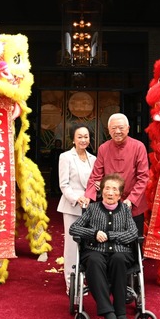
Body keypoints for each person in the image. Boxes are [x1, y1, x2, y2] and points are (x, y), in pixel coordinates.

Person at [70, 173, 138, 319]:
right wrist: (94, 234)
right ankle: (109, 313)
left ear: (120, 194)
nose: (110, 192)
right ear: (102, 191)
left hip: (120, 252)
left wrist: (110, 236)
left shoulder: (125, 210)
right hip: (95, 251)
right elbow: (74, 228)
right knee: (94, 260)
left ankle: (120, 311)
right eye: (107, 188)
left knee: (119, 259)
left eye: (114, 189)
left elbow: (133, 233)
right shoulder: (92, 209)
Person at [84, 113, 149, 237]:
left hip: (133, 204)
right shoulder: (103, 148)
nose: (117, 131)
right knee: (110, 240)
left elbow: (143, 177)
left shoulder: (138, 147)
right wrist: (88, 196)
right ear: (108, 130)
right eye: (113, 128)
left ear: (128, 128)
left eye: (121, 128)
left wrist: (131, 199)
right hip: (109, 204)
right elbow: (96, 176)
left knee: (134, 240)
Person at [56, 125, 97, 294]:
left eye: (86, 136)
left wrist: (93, 193)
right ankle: (71, 283)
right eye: (79, 137)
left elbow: (95, 181)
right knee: (72, 245)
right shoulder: (66, 157)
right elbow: (63, 184)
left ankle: (85, 278)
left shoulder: (93, 159)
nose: (83, 140)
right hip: (72, 206)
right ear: (73, 139)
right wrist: (76, 198)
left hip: (90, 206)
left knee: (88, 244)